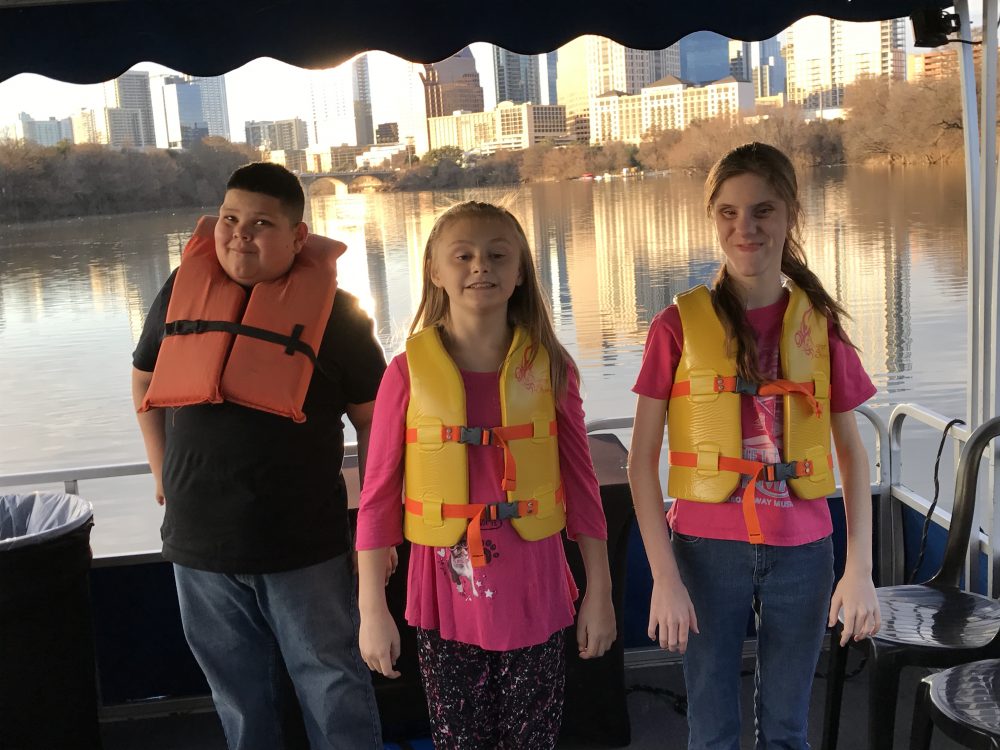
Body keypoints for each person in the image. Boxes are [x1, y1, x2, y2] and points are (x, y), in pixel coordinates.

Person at [628, 142, 881, 750]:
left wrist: (859, 569)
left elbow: (852, 453)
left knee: (789, 728)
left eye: (763, 210)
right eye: (729, 212)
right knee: (711, 728)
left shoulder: (819, 326)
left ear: (791, 214)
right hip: (705, 553)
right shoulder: (675, 326)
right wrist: (664, 578)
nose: (746, 228)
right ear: (713, 217)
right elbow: (640, 466)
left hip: (805, 553)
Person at [131, 162, 385, 750]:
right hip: (198, 541)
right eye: (229, 218)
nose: (239, 234)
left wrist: (375, 522)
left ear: (298, 237)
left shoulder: (339, 314)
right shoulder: (178, 290)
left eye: (261, 223)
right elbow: (144, 380)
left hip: (303, 545)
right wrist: (159, 465)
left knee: (331, 685)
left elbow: (376, 422)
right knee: (239, 698)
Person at [354, 201, 616, 750]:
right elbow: (377, 496)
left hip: (535, 587)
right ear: (435, 270)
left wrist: (600, 591)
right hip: (444, 592)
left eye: (498, 255)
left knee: (533, 739)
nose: (481, 267)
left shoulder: (551, 369)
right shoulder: (405, 374)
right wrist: (371, 610)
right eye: (464, 255)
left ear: (520, 272)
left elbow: (583, 488)